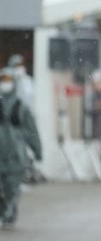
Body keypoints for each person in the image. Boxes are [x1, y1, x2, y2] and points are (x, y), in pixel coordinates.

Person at [0, 68, 42, 230]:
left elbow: (32, 131)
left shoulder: (21, 107)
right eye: (3, 79)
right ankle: (5, 212)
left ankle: (9, 215)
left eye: (8, 79)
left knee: (12, 188)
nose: (5, 83)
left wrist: (38, 150)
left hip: (15, 157)